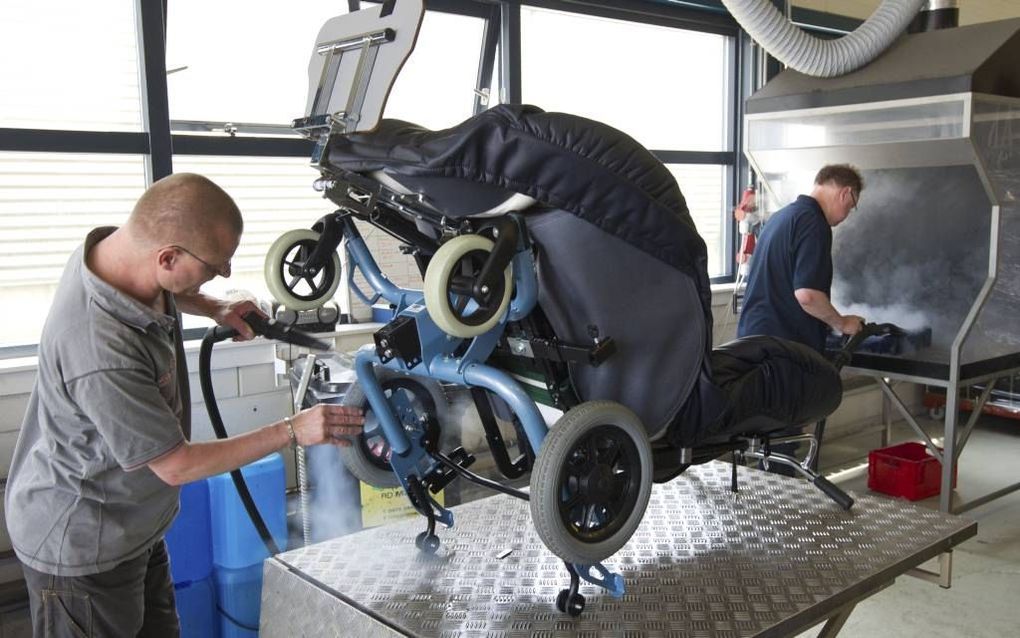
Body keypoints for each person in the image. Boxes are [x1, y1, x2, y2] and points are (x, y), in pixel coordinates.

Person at [4, 173, 364, 637]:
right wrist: (291, 430)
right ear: (168, 257)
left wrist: (212, 304)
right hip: (83, 545)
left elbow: (160, 280)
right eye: (216, 267)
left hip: (133, 524)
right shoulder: (98, 347)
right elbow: (176, 465)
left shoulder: (115, 254)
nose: (226, 274)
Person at [737, 164, 865, 472]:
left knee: (762, 435)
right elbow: (806, 294)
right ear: (845, 193)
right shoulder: (813, 223)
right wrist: (842, 323)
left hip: (754, 344)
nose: (846, 216)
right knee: (782, 439)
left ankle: (760, 507)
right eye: (851, 207)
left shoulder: (782, 217)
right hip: (784, 350)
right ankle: (781, 513)